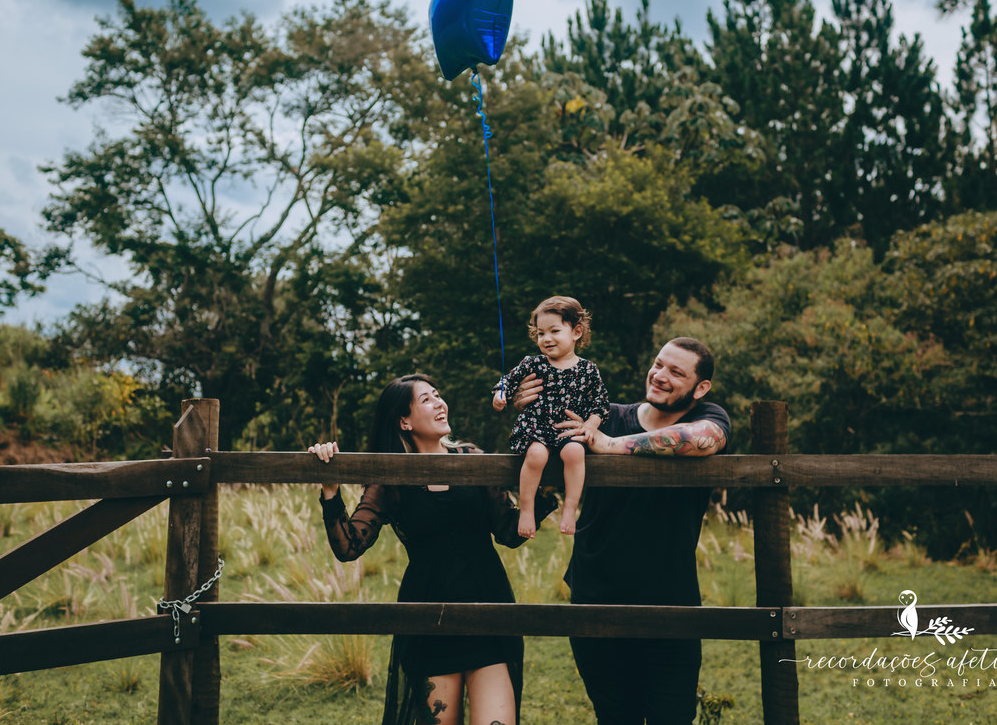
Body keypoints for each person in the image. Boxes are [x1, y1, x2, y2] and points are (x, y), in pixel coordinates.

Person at [309, 374, 555, 725]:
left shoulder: (471, 458)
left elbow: (507, 531)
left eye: (439, 395)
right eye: (427, 399)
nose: (440, 403)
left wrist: (545, 491)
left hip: (488, 608)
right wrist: (330, 489)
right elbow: (349, 546)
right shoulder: (391, 476)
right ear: (404, 421)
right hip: (429, 618)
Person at [513, 337, 731, 725]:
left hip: (672, 603)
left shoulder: (708, 416)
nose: (660, 376)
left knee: (673, 716)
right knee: (615, 716)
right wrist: (526, 405)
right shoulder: (605, 415)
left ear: (700, 388)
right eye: (659, 364)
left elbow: (706, 439)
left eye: (676, 372)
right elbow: (542, 437)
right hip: (596, 596)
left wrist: (612, 446)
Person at [492, 296, 609, 537]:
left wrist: (591, 424)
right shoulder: (532, 363)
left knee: (575, 452)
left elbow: (600, 404)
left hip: (568, 431)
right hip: (537, 428)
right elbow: (507, 381)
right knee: (535, 455)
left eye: (554, 331)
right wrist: (500, 395)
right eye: (540, 333)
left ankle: (569, 508)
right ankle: (526, 509)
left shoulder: (588, 369)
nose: (546, 338)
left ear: (576, 332)